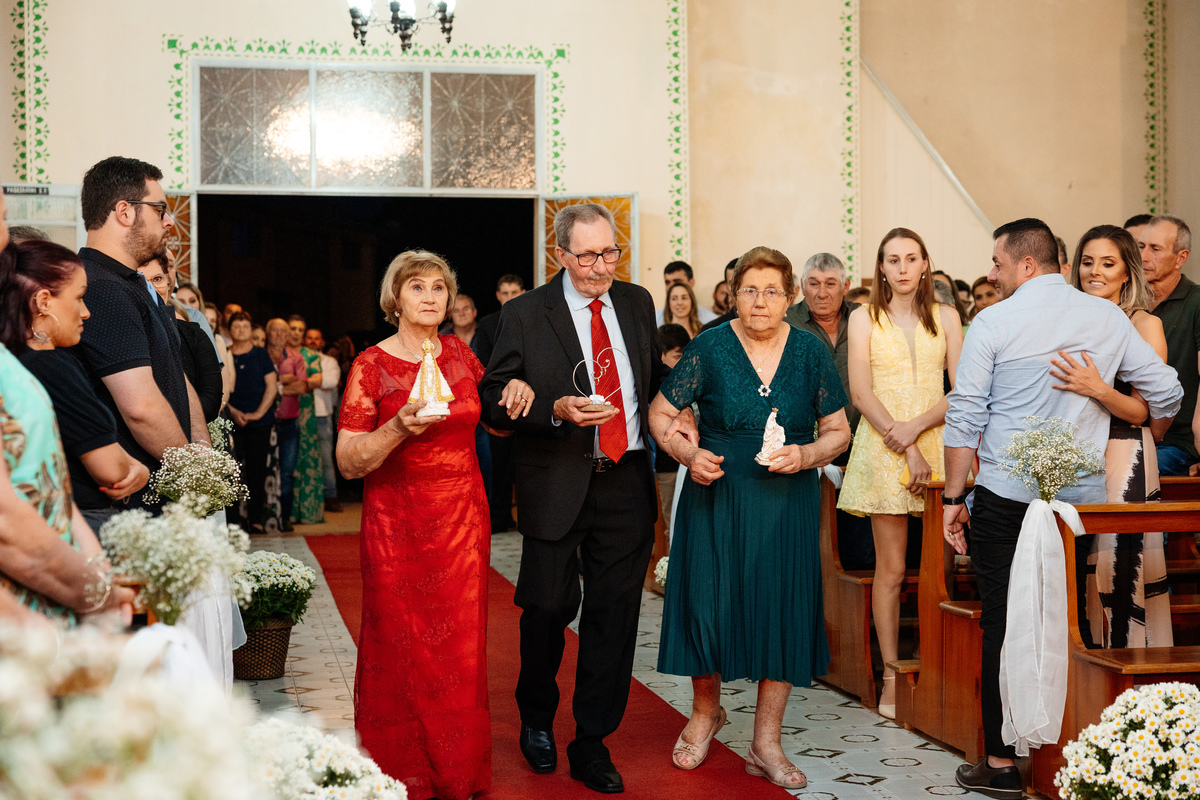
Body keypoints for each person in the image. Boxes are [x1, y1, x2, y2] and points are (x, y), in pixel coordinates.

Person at [942, 218, 1182, 798]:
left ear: (1026, 265)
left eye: (998, 264)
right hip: (1080, 506)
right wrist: (1112, 400)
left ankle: (1002, 763)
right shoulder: (1104, 319)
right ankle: (1069, 745)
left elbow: (965, 416)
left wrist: (953, 498)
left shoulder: (993, 321)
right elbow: (1168, 395)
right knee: (1071, 618)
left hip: (1006, 498)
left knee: (1004, 619)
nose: (993, 274)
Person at [478, 203, 668, 794]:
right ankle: (536, 719)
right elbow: (493, 396)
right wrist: (551, 408)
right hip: (556, 478)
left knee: (614, 617)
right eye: (586, 255)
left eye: (609, 253)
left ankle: (592, 741)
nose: (599, 266)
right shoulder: (526, 313)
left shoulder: (637, 303)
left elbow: (650, 384)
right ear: (560, 254)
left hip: (625, 480)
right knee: (546, 610)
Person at [651, 246, 851, 787]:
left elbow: (838, 430)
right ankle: (704, 713)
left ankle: (766, 742)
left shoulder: (810, 352)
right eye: (749, 290)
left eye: (771, 291)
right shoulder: (709, 346)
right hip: (715, 491)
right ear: (732, 293)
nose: (759, 301)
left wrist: (807, 455)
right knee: (708, 605)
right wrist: (689, 456)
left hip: (785, 502)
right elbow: (661, 414)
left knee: (779, 610)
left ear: (789, 297)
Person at [336, 250, 533, 800]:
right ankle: (402, 774)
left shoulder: (462, 357)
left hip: (463, 524)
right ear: (394, 299)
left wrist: (517, 397)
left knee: (460, 651)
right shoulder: (371, 366)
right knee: (400, 648)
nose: (430, 297)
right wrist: (398, 425)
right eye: (416, 286)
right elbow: (349, 460)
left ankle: (455, 772)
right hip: (398, 526)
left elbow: (490, 423)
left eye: (439, 288)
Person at [837, 228, 963, 720]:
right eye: (893, 259)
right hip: (884, 445)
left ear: (926, 263)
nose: (904, 267)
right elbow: (861, 393)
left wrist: (917, 430)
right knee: (891, 572)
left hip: (938, 441)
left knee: (941, 572)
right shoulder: (863, 317)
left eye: (912, 258)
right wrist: (906, 443)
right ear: (882, 268)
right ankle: (890, 674)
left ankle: (940, 671)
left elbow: (963, 387)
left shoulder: (949, 316)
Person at [74, 156, 209, 522]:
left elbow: (172, 372)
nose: (168, 221)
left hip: (161, 483)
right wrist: (192, 476)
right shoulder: (101, 287)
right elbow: (141, 407)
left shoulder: (132, 283)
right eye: (160, 209)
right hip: (132, 501)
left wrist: (201, 448)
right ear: (124, 212)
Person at [1057, 224, 1172, 648]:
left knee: (1117, 569)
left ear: (1128, 272)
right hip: (1071, 452)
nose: (1095, 272)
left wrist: (1099, 389)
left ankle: (1126, 668)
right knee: (1077, 569)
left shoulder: (1145, 324)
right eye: (1087, 262)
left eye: (1108, 263)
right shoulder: (1068, 321)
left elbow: (1144, 410)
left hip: (1124, 453)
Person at [1, 239, 150, 533]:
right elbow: (111, 472)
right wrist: (139, 469)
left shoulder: (11, 359)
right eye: (79, 297)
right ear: (43, 302)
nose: (86, 312)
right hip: (80, 522)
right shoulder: (52, 367)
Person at [784, 252, 873, 570]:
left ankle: (851, 609)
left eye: (830, 283)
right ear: (802, 288)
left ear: (846, 285)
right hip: (807, 447)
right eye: (814, 284)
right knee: (807, 538)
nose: (822, 293)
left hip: (863, 444)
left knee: (859, 540)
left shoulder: (867, 318)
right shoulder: (786, 323)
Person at [1139, 215, 1197, 476]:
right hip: (1131, 435)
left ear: (1180, 258)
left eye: (1155, 249)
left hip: (1178, 443)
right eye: (1140, 246)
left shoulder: (1195, 302)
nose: (1143, 256)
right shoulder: (1129, 302)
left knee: (1137, 475)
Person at [137, 257, 223, 423]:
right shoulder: (125, 334)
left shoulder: (194, 336)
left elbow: (211, 400)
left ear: (168, 283)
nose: (151, 287)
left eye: (157, 279)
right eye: (141, 280)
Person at [476, 273, 526, 532]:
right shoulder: (486, 326)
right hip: (499, 406)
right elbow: (482, 368)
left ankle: (528, 518)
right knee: (499, 464)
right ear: (497, 296)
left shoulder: (534, 319)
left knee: (528, 464)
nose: (509, 298)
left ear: (523, 292)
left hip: (532, 403)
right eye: (504, 293)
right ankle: (499, 517)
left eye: (514, 293)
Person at [226, 312, 278, 533]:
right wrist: (233, 411)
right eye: (236, 327)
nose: (241, 330)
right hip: (231, 418)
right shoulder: (225, 354)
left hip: (260, 422)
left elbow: (272, 386)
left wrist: (258, 413)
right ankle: (233, 521)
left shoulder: (260, 354)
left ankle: (255, 519)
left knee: (256, 472)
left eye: (245, 326)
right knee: (232, 472)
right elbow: (218, 386)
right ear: (229, 330)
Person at [266, 318, 306, 531]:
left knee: (288, 472)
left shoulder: (296, 357)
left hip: (289, 423)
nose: (280, 334)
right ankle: (265, 516)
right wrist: (285, 381)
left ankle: (285, 518)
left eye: (284, 331)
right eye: (275, 331)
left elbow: (301, 387)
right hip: (265, 422)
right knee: (264, 471)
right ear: (268, 332)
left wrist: (273, 386)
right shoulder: (260, 353)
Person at [288, 314, 324, 525]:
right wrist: (301, 384)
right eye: (293, 328)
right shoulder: (279, 352)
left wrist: (287, 385)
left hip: (306, 414)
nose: (296, 333)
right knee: (286, 459)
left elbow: (317, 381)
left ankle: (309, 513)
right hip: (282, 412)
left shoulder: (310, 355)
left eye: (300, 329)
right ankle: (287, 513)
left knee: (307, 458)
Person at [654, 323, 690, 532]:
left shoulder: (690, 378)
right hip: (668, 466)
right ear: (661, 356)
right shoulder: (659, 382)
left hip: (693, 461)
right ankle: (668, 564)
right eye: (677, 357)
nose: (681, 363)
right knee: (673, 524)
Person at [305, 327, 342, 514]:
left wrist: (305, 382)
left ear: (321, 342)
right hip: (300, 416)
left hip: (322, 415)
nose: (312, 341)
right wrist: (314, 380)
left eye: (316, 338)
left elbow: (330, 381)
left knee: (326, 459)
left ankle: (330, 496)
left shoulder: (329, 361)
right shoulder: (299, 358)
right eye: (309, 338)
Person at [658, 261, 718, 325]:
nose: (671, 287)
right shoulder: (655, 320)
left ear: (691, 283)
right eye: (667, 283)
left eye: (677, 282)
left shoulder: (710, 320)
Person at [700, 258, 742, 332]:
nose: (737, 287)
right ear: (726, 286)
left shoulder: (767, 323)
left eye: (740, 281)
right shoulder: (712, 330)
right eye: (731, 283)